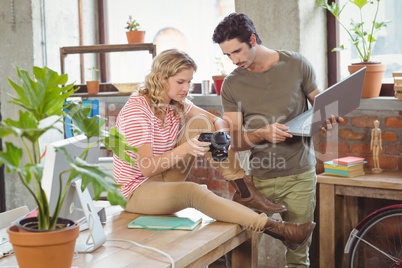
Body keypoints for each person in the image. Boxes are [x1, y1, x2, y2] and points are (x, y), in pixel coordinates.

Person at [113, 49, 316, 251]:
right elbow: (148, 169)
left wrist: (221, 134)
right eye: (180, 82)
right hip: (137, 191)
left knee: (201, 122)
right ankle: (275, 228)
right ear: (160, 78)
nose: (186, 88)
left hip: (164, 177)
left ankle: (243, 189)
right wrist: (186, 148)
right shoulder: (137, 111)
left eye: (189, 81)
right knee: (193, 191)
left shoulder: (176, 102)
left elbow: (216, 119)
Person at [212, 13, 341, 268]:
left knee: (298, 255)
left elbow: (321, 106)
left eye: (237, 51)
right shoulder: (231, 85)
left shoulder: (297, 64)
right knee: (241, 250)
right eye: (228, 55)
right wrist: (261, 134)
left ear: (252, 39)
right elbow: (234, 142)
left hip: (300, 176)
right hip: (259, 180)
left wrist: (328, 119)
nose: (234, 60)